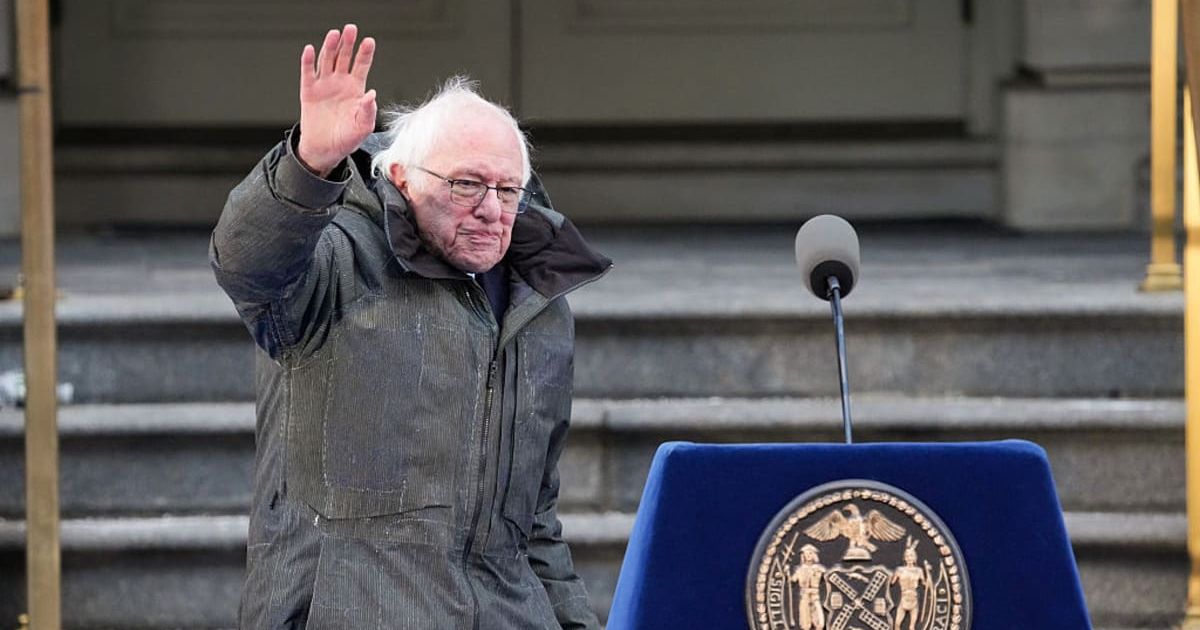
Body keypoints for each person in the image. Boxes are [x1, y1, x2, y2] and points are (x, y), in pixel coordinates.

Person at [210, 23, 610, 629]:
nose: (491, 208)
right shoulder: (338, 258)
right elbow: (247, 265)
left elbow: (534, 527)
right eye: (466, 184)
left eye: (508, 189)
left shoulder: (539, 306)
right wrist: (309, 163)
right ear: (401, 178)